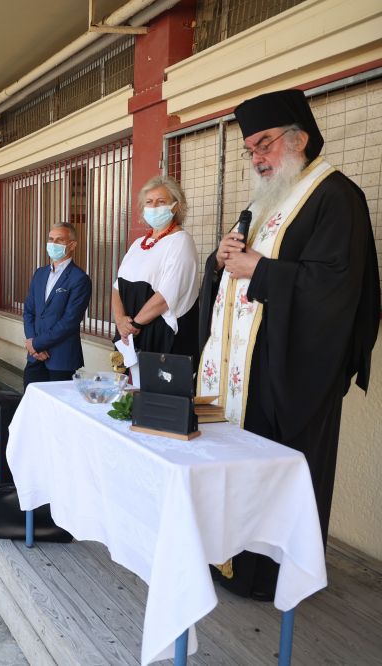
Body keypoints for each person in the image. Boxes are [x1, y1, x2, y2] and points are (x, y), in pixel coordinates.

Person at [198, 89, 379, 601]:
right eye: (250, 149)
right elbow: (231, 274)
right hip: (238, 376)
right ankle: (223, 558)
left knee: (274, 476)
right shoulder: (264, 201)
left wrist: (261, 271)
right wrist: (219, 260)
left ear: (299, 138)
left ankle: (269, 578)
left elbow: (337, 288)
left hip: (286, 376)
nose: (257, 158)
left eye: (265, 144)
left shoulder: (336, 196)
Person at [112, 175, 199, 362]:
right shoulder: (138, 244)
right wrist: (120, 321)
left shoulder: (181, 241)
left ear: (175, 206)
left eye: (161, 202)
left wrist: (134, 325)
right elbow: (117, 287)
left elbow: (165, 297)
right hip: (129, 335)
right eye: (149, 202)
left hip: (159, 335)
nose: (154, 206)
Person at [22, 223, 92, 388]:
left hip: (61, 359)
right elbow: (29, 311)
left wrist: (37, 344)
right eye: (51, 239)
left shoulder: (79, 279)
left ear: (72, 245)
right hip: (35, 357)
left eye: (59, 240)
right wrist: (32, 344)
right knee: (31, 400)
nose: (53, 244)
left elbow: (69, 321)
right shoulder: (40, 274)